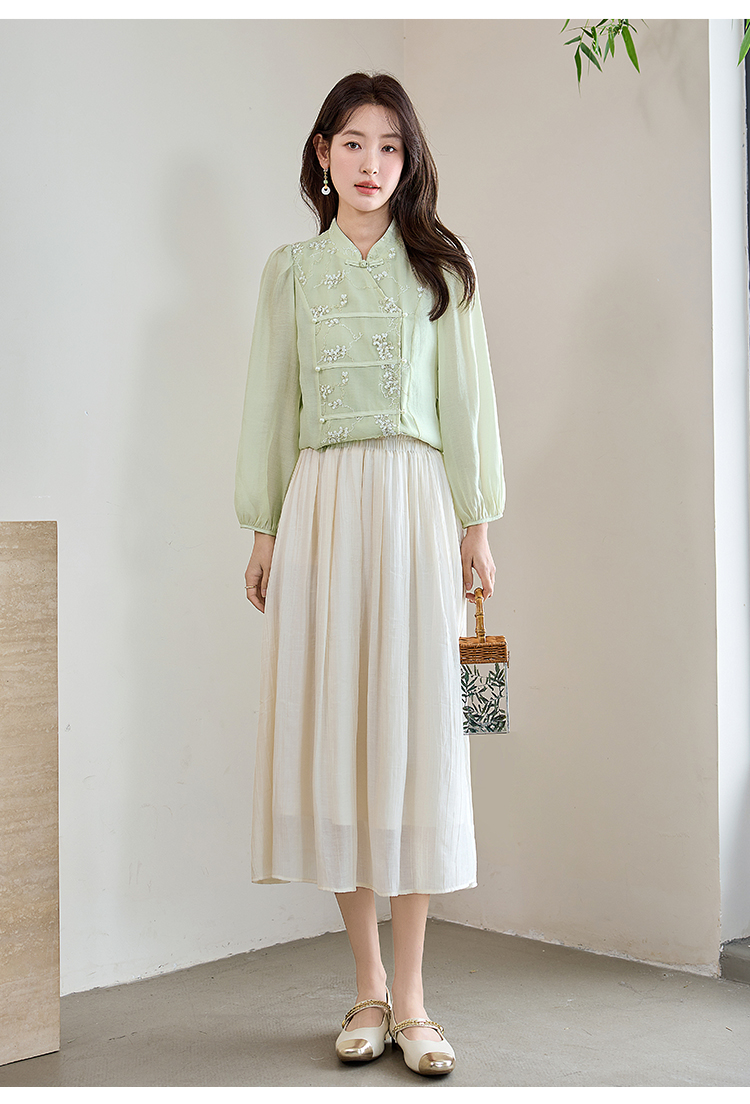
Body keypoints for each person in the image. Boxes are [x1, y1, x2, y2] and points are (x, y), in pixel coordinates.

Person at [235, 72, 505, 1077]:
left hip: (415, 508)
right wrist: (264, 528)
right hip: (320, 509)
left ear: (409, 161)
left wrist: (478, 523)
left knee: (418, 737)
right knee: (341, 738)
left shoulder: (441, 270)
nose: (371, 163)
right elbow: (270, 401)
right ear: (322, 154)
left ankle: (418, 1002)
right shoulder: (290, 273)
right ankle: (368, 987)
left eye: (390, 146)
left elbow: (469, 402)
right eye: (353, 143)